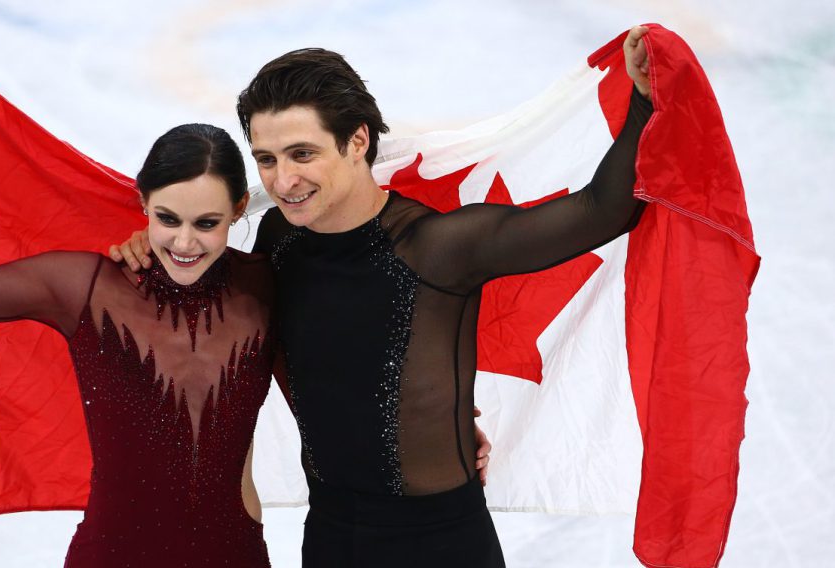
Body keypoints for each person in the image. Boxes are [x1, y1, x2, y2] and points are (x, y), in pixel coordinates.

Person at [112, 26, 655, 568]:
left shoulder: (438, 246)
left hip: (442, 546)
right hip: (329, 538)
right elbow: (212, 294)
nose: (283, 180)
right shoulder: (279, 240)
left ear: (357, 141)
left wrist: (643, 99)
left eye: (303, 153)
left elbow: (601, 210)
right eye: (267, 159)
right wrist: (149, 246)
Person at [0, 53, 273, 567]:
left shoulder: (268, 284)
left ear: (240, 209)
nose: (183, 241)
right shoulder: (85, 286)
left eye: (207, 223)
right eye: (166, 218)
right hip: (112, 556)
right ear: (142, 203)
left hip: (234, 556)